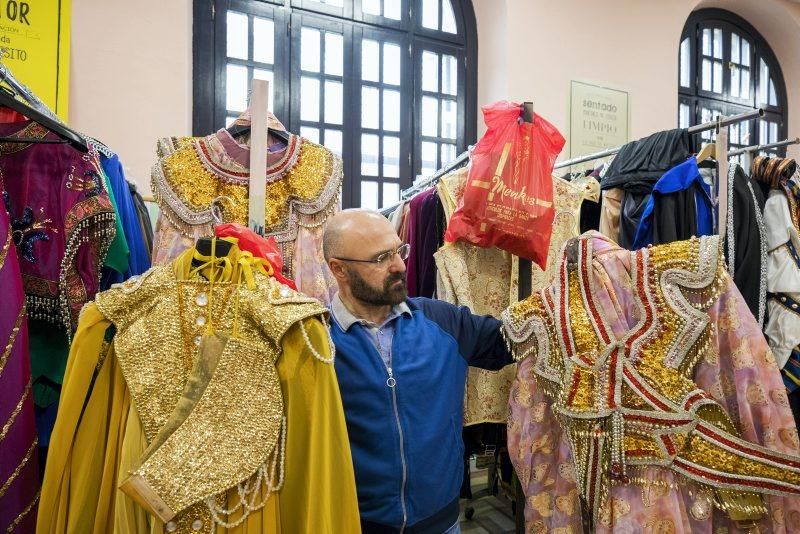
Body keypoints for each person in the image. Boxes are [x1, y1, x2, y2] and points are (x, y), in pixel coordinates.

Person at [323, 209, 514, 534]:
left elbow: (514, 338)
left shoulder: (442, 322)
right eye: (382, 258)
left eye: (400, 250)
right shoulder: (317, 341)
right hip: (354, 524)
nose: (399, 265)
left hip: (442, 523)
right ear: (339, 269)